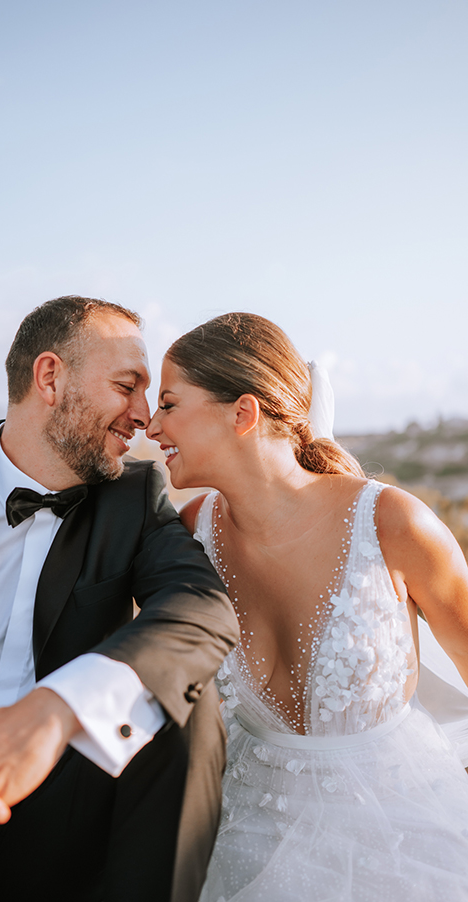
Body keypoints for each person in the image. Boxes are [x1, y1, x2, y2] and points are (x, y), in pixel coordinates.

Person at [0, 295, 239, 901]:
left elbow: (201, 609)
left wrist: (54, 710)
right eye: (128, 386)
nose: (145, 417)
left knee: (187, 707)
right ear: (49, 377)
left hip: (64, 811)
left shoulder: (136, 500)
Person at [147, 311, 468, 901]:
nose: (150, 424)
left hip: (410, 850)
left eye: (168, 404)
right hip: (241, 849)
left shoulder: (393, 524)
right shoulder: (191, 537)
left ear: (242, 413)